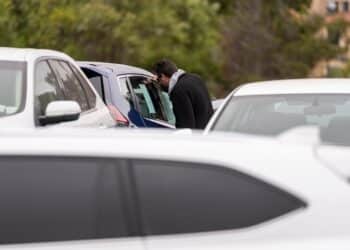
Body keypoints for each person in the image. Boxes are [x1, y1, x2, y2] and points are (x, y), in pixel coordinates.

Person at [153, 59, 213, 129]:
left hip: (196, 138)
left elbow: (185, 126)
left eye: (158, 80)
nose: (159, 84)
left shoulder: (178, 91)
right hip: (208, 134)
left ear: (162, 76)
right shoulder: (196, 79)